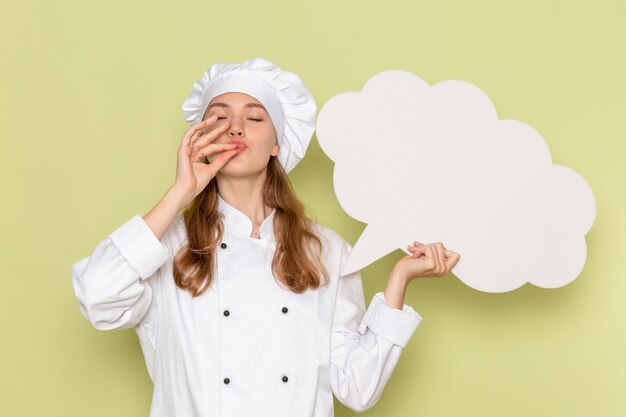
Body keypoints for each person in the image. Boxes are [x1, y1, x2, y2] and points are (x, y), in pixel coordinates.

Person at [71, 57, 460, 417]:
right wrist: (179, 193)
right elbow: (97, 294)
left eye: (254, 118)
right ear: (201, 137)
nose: (236, 127)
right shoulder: (170, 243)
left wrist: (400, 280)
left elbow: (357, 387)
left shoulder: (325, 251)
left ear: (277, 144)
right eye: (220, 118)